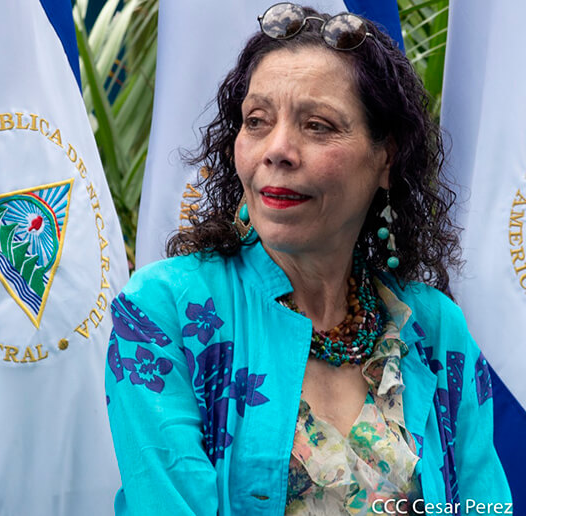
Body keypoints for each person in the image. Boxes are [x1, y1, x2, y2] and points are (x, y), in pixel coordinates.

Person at [104, 3, 512, 515]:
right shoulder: (165, 311)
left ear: (386, 158)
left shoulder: (435, 328)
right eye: (256, 121)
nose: (277, 150)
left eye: (317, 126)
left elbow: (484, 503)